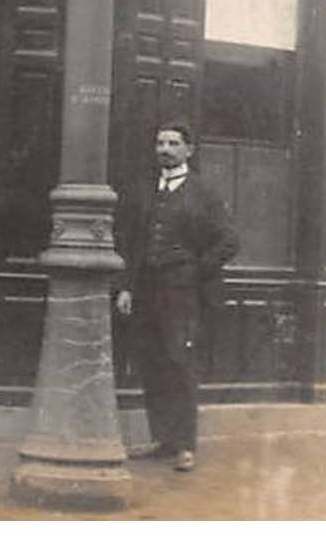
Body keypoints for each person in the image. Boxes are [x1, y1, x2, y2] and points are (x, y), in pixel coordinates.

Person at [114, 121, 238, 472]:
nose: (164, 149)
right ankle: (163, 439)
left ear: (189, 150)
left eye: (172, 143)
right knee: (151, 365)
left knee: (180, 365)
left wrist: (196, 270)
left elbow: (230, 240)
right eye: (160, 143)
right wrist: (126, 286)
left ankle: (186, 446)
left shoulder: (205, 193)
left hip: (184, 297)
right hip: (147, 293)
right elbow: (133, 243)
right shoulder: (145, 190)